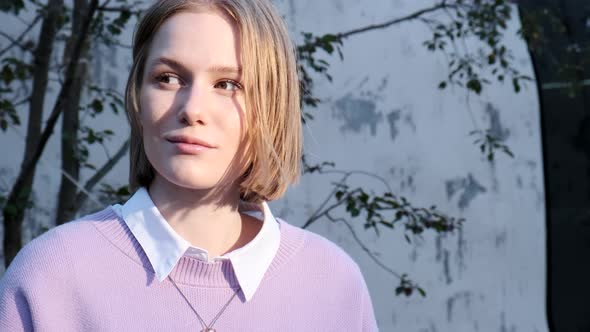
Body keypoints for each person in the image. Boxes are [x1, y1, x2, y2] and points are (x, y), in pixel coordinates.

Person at [0, 0, 378, 330]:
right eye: (167, 78)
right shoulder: (52, 275)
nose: (192, 109)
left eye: (228, 84)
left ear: (272, 107)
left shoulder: (332, 283)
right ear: (138, 97)